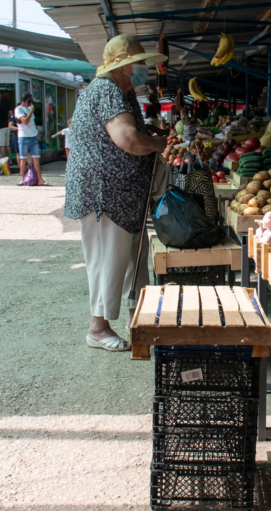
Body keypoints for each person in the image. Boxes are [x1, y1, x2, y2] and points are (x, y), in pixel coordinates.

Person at [64, 34, 168, 352]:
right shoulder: (107, 90)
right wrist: (159, 144)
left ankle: (138, 320)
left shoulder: (120, 93)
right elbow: (127, 139)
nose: (143, 70)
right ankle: (97, 328)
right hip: (105, 194)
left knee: (130, 261)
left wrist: (151, 134)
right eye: (139, 64)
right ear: (124, 66)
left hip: (122, 194)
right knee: (107, 261)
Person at [12, 94, 47, 186]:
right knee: (23, 159)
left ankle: (40, 180)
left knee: (36, 159)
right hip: (23, 137)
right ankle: (24, 179)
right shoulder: (18, 109)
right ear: (27, 100)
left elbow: (32, 122)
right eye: (30, 100)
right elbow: (25, 121)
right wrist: (31, 111)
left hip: (33, 136)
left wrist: (36, 131)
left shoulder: (29, 109)